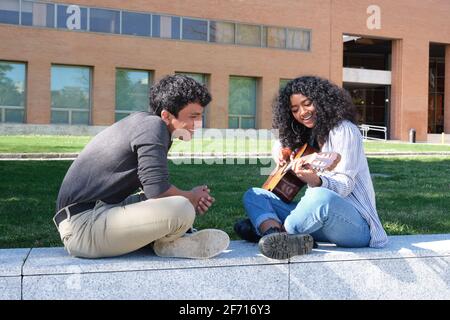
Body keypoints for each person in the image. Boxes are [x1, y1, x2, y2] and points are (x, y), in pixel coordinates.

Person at [54, 74, 229, 259]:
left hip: (95, 214)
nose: (198, 124)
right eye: (193, 116)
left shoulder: (146, 124)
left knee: (166, 202)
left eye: (201, 116)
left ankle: (170, 241)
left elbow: (152, 190)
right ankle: (168, 242)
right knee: (181, 209)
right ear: (166, 115)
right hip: (82, 227)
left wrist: (189, 196)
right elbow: (158, 190)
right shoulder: (153, 126)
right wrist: (191, 197)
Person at [235, 76, 388, 260]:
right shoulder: (308, 134)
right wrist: (279, 150)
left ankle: (270, 232)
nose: (302, 112)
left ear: (322, 101)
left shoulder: (344, 130)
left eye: (307, 104)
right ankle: (276, 237)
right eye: (295, 109)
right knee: (254, 195)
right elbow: (281, 139)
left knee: (319, 196)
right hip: (320, 222)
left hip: (356, 226)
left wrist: (317, 180)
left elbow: (345, 185)